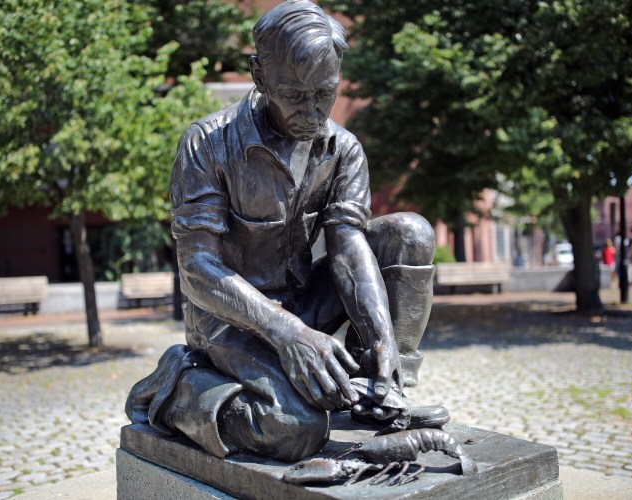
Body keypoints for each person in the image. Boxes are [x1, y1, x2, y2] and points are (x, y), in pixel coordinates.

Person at [125, 0, 446, 462]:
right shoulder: (208, 143)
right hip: (228, 320)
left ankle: (382, 389)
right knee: (295, 431)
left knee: (409, 233)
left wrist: (382, 340)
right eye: (293, 95)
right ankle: (178, 389)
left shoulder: (343, 149)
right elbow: (196, 269)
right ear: (259, 76)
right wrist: (286, 332)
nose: (312, 110)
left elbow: (348, 247)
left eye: (325, 92)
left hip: (300, 305)